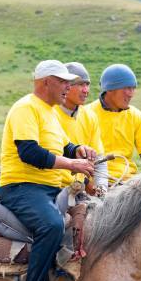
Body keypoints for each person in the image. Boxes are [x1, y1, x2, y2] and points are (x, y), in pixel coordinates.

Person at [0, 60, 96, 281]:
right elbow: (30, 152)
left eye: (70, 82)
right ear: (45, 82)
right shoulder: (25, 108)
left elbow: (62, 146)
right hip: (22, 187)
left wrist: (78, 150)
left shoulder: (50, 112)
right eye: (63, 81)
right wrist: (72, 163)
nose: (69, 86)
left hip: (50, 189)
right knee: (52, 225)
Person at [86, 64, 141, 184]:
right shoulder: (86, 114)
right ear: (109, 89)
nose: (131, 94)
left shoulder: (136, 115)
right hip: (97, 182)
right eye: (127, 88)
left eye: (133, 88)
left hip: (129, 182)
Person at [55, 62, 107, 194]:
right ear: (66, 85)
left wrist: (102, 188)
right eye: (80, 84)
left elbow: (99, 159)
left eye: (87, 84)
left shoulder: (90, 116)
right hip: (54, 188)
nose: (86, 90)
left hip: (79, 190)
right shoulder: (49, 113)